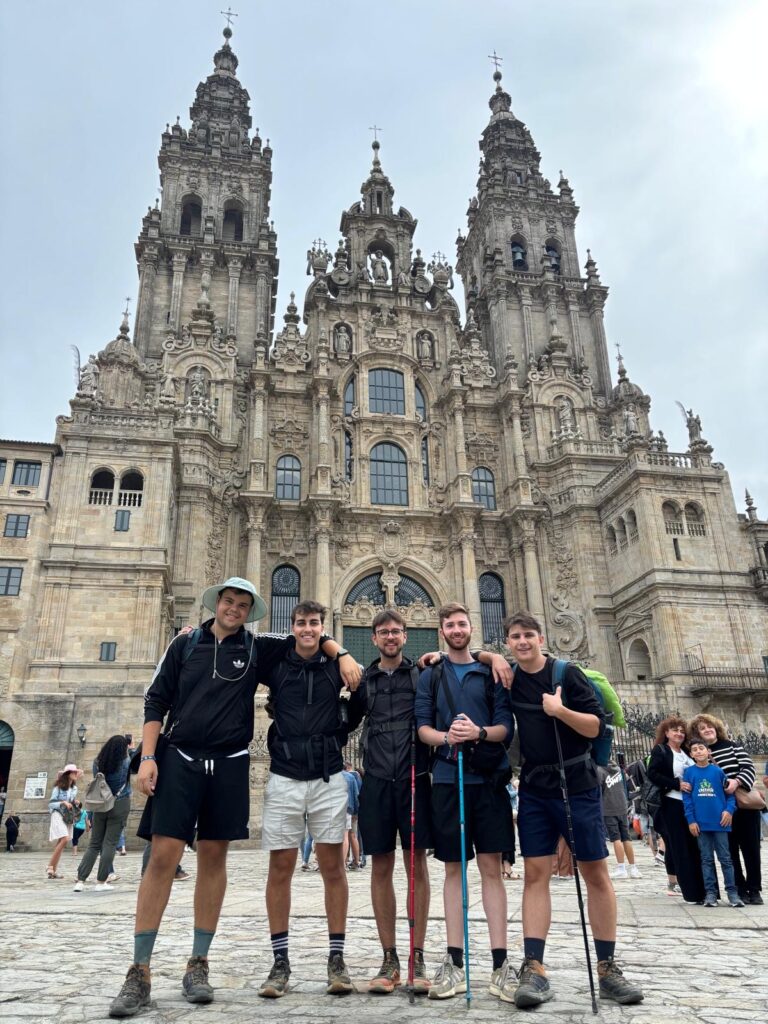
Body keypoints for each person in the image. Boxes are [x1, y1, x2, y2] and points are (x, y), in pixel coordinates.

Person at [108, 578, 358, 1018]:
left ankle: (198, 965)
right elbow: (155, 700)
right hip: (179, 756)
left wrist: (342, 652)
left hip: (229, 762)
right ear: (216, 603)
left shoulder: (258, 647)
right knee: (163, 857)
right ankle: (139, 970)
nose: (234, 609)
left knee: (213, 857)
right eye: (228, 602)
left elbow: (307, 637)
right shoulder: (184, 644)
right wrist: (147, 757)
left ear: (250, 611)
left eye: (243, 604)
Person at [503, 612, 643, 1007]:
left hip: (577, 784)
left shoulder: (568, 674)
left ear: (541, 638)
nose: (522, 641)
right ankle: (534, 967)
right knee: (535, 874)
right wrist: (485, 656)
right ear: (508, 643)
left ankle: (608, 967)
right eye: (515, 636)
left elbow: (596, 727)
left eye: (528, 635)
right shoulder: (509, 678)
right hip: (535, 787)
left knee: (595, 872)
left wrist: (560, 710)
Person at [257, 601, 363, 1000]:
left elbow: (361, 698)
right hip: (284, 776)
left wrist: (342, 654)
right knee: (280, 867)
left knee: (333, 867)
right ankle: (280, 961)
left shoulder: (338, 667)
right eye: (301, 622)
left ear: (323, 626)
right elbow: (245, 642)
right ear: (293, 627)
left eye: (314, 623)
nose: (307, 629)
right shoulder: (275, 661)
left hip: (328, 776)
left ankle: (337, 958)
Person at [415, 602, 514, 1002]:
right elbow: (422, 727)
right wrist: (447, 738)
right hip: (446, 778)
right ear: (441, 631)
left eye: (462, 624)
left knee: (492, 870)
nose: (456, 630)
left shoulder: (492, 672)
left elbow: (505, 727)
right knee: (453, 870)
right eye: (450, 625)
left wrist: (478, 732)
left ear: (471, 628)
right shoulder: (430, 674)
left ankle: (500, 964)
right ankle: (454, 962)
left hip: (487, 781)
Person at [347, 608, 433, 994]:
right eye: (384, 632)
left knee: (416, 864)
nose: (391, 637)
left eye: (396, 631)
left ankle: (418, 954)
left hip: (416, 779)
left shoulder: (423, 676)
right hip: (378, 781)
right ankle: (389, 957)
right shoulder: (363, 682)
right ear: (374, 638)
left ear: (405, 636)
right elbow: (344, 722)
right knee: (380, 866)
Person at [688, 713, 762, 905]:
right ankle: (740, 888)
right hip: (721, 810)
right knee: (730, 852)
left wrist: (736, 782)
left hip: (743, 806)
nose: (707, 730)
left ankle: (754, 889)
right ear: (697, 734)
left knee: (751, 849)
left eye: (709, 726)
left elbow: (748, 767)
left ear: (716, 728)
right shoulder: (701, 753)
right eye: (702, 728)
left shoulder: (732, 746)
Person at [647, 716, 705, 905]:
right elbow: (652, 773)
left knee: (695, 846)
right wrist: (676, 784)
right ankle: (691, 892)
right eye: (675, 730)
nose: (679, 733)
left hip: (692, 804)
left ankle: (704, 889)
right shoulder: (661, 750)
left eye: (681, 731)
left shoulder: (687, 751)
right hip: (672, 803)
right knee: (680, 847)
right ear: (666, 733)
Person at [682, 737, 743, 907]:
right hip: (701, 824)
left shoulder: (718, 772)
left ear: (708, 751)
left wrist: (729, 810)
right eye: (695, 749)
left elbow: (730, 795)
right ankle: (711, 893)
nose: (698, 751)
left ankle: (732, 893)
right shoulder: (689, 773)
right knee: (706, 859)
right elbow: (687, 799)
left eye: (701, 748)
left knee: (726, 859)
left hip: (720, 823)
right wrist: (691, 820)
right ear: (691, 754)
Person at [74, 735, 132, 892]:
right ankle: (101, 881)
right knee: (110, 843)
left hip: (101, 803)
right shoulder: (126, 762)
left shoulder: (97, 762)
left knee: (94, 843)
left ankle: (80, 880)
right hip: (120, 803)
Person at [597, 760, 641, 879]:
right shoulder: (618, 768)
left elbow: (598, 791)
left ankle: (621, 868)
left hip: (609, 808)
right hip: (622, 806)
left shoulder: (599, 770)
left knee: (616, 838)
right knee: (626, 837)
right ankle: (633, 868)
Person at [47, 764, 80, 879]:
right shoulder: (58, 788)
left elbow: (71, 801)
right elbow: (51, 804)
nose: (76, 774)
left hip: (67, 816)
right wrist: (62, 802)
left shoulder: (74, 789)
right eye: (74, 772)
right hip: (57, 814)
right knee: (65, 839)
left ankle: (53, 870)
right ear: (68, 774)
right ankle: (50, 867)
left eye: (76, 772)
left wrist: (75, 802)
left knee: (61, 842)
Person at [341, 761, 362, 870]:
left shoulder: (331, 776)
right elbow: (356, 795)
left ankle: (341, 862)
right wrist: (356, 811)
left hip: (333, 808)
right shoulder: (351, 777)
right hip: (348, 808)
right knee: (349, 836)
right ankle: (349, 862)